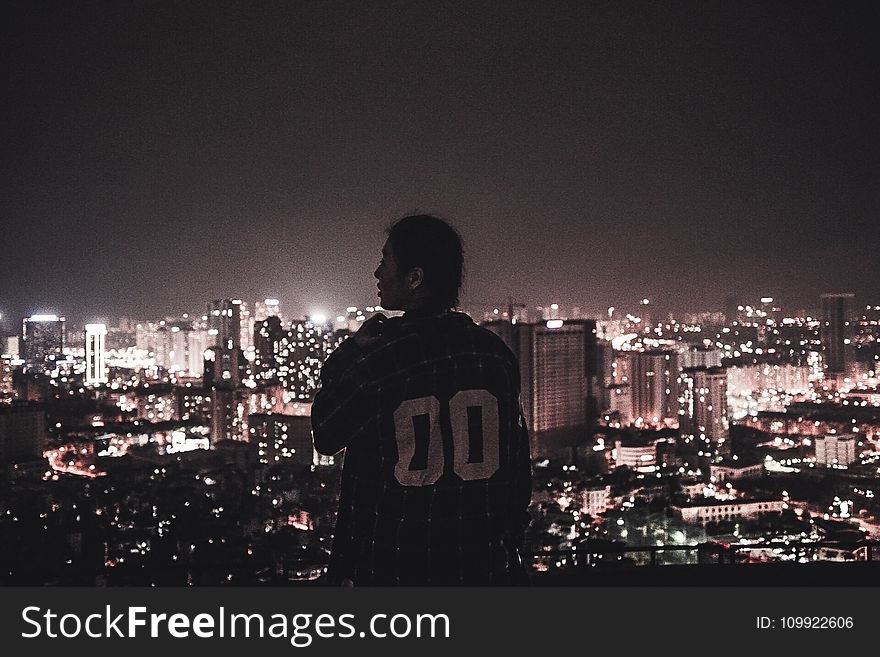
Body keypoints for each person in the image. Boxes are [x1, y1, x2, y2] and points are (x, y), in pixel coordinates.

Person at [311, 214, 532, 585]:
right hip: (482, 566)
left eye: (385, 262)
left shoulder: (382, 358)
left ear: (414, 278)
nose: (377, 273)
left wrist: (348, 353)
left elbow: (327, 433)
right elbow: (516, 469)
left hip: (397, 567)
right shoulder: (493, 355)